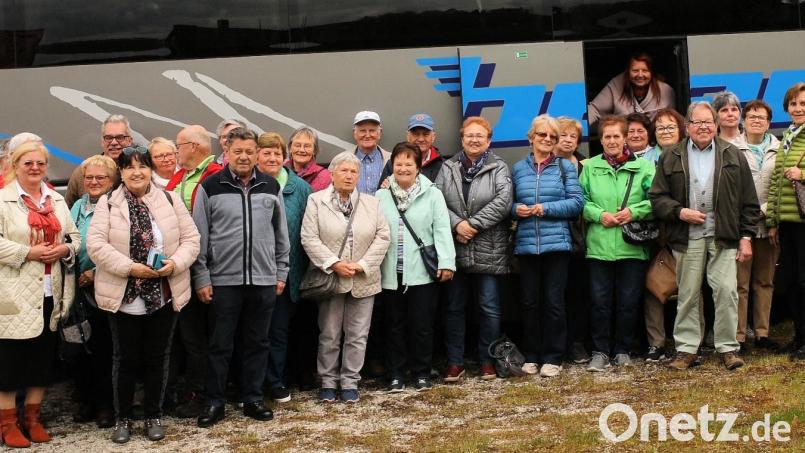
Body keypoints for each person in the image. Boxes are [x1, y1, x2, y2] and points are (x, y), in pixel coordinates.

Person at [86, 146, 200, 443]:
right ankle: (122, 418)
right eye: (129, 167)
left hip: (164, 291)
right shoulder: (108, 203)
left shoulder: (169, 199)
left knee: (158, 357)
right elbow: (96, 245)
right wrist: (131, 268)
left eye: (142, 166)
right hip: (124, 294)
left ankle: (153, 415)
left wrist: (175, 263)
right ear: (120, 172)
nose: (136, 172)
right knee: (124, 359)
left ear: (150, 169)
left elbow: (191, 239)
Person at [650, 102, 760, 371]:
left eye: (708, 122)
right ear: (687, 126)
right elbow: (657, 198)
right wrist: (679, 212)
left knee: (726, 291)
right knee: (687, 294)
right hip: (687, 236)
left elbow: (749, 201)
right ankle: (686, 349)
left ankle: (728, 348)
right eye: (697, 122)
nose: (703, 127)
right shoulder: (671, 156)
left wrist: (746, 237)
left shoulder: (732, 154)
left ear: (716, 125)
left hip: (723, 235)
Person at [192, 128, 290, 427]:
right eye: (238, 152)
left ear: (257, 153)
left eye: (250, 151)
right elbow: (199, 235)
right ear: (228, 153)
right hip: (223, 281)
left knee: (257, 342)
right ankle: (215, 402)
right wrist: (202, 277)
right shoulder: (211, 186)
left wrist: (281, 271)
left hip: (263, 280)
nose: (244, 156)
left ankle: (253, 398)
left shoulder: (270, 186)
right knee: (220, 344)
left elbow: (280, 235)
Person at [0, 142, 80, 448]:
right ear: (15, 165)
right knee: (9, 363)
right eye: (28, 163)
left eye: (40, 163)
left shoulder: (56, 199)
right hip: (13, 291)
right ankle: (7, 423)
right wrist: (28, 252)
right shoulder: (4, 200)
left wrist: (66, 248)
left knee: (41, 360)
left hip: (50, 291)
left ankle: (32, 418)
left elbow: (75, 237)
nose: (35, 168)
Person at [300, 151, 390, 403]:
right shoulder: (316, 201)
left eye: (354, 172)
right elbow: (309, 237)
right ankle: (328, 381)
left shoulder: (371, 203)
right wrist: (334, 263)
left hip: (364, 279)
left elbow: (383, 236)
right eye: (344, 171)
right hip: (332, 278)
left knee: (358, 334)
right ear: (332, 173)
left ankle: (350, 381)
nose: (349, 176)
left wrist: (362, 264)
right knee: (329, 333)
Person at [435, 116, 513, 382]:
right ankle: (455, 363)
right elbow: (437, 201)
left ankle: (487, 361)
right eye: (470, 135)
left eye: (480, 135)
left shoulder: (499, 167)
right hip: (455, 248)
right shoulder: (448, 167)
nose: (475, 139)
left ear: (489, 140)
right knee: (454, 308)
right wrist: (457, 224)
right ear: (462, 138)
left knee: (489, 307)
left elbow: (503, 202)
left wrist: (473, 225)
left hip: (488, 248)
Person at [376, 142, 455, 392]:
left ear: (418, 167)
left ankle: (422, 372)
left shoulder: (433, 194)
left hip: (421, 271)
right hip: (390, 271)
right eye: (398, 163)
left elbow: (441, 229)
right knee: (393, 325)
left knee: (422, 325)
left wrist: (447, 262)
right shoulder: (380, 195)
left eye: (409, 163)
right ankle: (396, 374)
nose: (403, 168)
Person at [579, 116, 655, 371]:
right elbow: (581, 200)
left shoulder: (643, 167)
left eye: (616, 136)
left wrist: (635, 211)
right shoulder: (590, 167)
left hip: (631, 246)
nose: (612, 141)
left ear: (625, 138)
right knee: (599, 302)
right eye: (607, 137)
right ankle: (600, 351)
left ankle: (623, 349)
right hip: (598, 246)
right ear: (601, 140)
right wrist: (598, 215)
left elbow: (655, 199)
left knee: (628, 301)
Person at [511, 115, 584, 377]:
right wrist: (515, 209)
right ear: (531, 137)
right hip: (528, 245)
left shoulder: (565, 168)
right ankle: (532, 354)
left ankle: (554, 356)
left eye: (552, 137)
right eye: (542, 135)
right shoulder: (518, 169)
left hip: (558, 245)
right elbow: (508, 205)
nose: (547, 140)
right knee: (530, 302)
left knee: (554, 302)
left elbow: (577, 203)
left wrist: (546, 208)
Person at [639, 107, 705, 362]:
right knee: (654, 285)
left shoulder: (693, 156)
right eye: (660, 128)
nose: (665, 131)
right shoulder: (644, 161)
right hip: (654, 230)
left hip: (686, 229)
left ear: (681, 129)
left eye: (670, 127)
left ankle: (692, 343)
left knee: (691, 286)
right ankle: (656, 343)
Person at [165, 125, 222, 418]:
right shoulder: (179, 177)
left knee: (201, 337)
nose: (176, 150)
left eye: (179, 144)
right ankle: (185, 390)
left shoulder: (213, 176)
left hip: (204, 266)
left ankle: (203, 393)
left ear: (196, 146)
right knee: (185, 337)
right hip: (177, 266)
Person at [255, 132, 313, 403]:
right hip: (254, 272)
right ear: (257, 156)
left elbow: (310, 228)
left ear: (284, 156)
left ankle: (275, 382)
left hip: (287, 275)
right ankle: (252, 383)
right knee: (254, 332)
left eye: (276, 153)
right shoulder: (247, 185)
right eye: (266, 153)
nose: (272, 158)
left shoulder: (299, 188)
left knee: (278, 332)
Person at [68, 155, 117, 428]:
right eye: (89, 177)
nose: (94, 182)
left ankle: (104, 406)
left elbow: (124, 248)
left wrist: (96, 273)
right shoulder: (76, 205)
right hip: (76, 289)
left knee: (103, 348)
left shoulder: (116, 206)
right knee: (78, 348)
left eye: (101, 178)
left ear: (111, 181)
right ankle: (86, 400)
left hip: (104, 286)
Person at [736, 100, 781, 351]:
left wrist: (768, 214)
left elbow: (781, 188)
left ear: (769, 123)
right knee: (739, 284)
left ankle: (762, 333)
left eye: (762, 117)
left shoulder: (779, 148)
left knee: (765, 281)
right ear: (743, 120)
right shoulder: (732, 148)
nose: (756, 120)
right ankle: (739, 336)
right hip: (742, 227)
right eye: (752, 116)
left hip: (770, 225)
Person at [766, 82, 805, 361]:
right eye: (793, 104)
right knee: (790, 281)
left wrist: (803, 174)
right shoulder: (788, 136)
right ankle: (800, 336)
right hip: (787, 221)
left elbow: (794, 175)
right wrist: (772, 221)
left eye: (803, 104)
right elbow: (776, 184)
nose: (798, 108)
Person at [556, 116, 591, 364]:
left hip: (583, 240)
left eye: (573, 136)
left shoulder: (586, 166)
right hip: (555, 239)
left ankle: (578, 343)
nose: (567, 140)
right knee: (555, 295)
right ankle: (559, 344)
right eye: (563, 135)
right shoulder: (545, 165)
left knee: (579, 294)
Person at [587, 53, 675, 127]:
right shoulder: (616, 85)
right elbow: (594, 110)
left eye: (645, 70)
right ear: (628, 72)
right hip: (625, 141)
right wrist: (577, 129)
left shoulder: (666, 91)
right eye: (635, 70)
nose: (640, 75)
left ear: (651, 73)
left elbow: (673, 123)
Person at [65, 114, 131, 207]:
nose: (114, 142)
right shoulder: (82, 172)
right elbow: (68, 212)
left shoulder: (137, 173)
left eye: (120, 137)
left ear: (130, 140)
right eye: (108, 138)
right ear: (102, 142)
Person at [378, 113, 446, 186]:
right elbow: (382, 192)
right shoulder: (393, 163)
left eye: (426, 134)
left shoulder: (443, 165)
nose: (421, 139)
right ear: (408, 136)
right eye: (416, 134)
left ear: (433, 137)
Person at [352, 111, 390, 195]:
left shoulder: (393, 160)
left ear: (380, 133)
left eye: (372, 130)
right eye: (362, 131)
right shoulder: (341, 160)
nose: (367, 135)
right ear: (354, 133)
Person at [284, 127, 332, 192]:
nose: (301, 150)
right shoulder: (280, 170)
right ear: (290, 148)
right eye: (297, 145)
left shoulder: (324, 176)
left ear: (315, 150)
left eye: (307, 146)